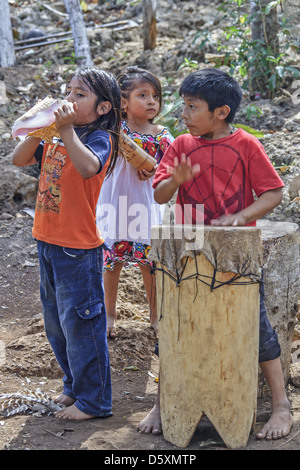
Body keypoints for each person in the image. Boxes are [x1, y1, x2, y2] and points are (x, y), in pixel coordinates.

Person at [138, 68, 293, 441]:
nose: (184, 114)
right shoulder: (180, 145)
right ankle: (163, 403)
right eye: (184, 105)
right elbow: (160, 195)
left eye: (192, 107)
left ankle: (281, 405)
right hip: (187, 251)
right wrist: (176, 180)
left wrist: (241, 217)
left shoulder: (246, 145)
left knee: (256, 329)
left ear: (221, 112)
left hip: (235, 255)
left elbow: (274, 193)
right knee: (173, 327)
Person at [12, 67, 121, 421]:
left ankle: (94, 401)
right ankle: (73, 387)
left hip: (78, 247)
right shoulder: (56, 136)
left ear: (103, 108)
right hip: (47, 240)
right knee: (57, 323)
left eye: (80, 95)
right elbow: (18, 158)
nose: (70, 99)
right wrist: (39, 128)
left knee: (82, 323)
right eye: (69, 91)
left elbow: (89, 168)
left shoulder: (99, 138)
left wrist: (65, 130)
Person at [96, 66, 174, 338]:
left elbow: (170, 166)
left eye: (156, 95)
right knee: (111, 262)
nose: (152, 101)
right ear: (123, 103)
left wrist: (156, 170)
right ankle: (109, 315)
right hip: (114, 204)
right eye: (143, 95)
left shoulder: (161, 134)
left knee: (149, 263)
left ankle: (155, 316)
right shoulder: (114, 130)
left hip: (146, 207)